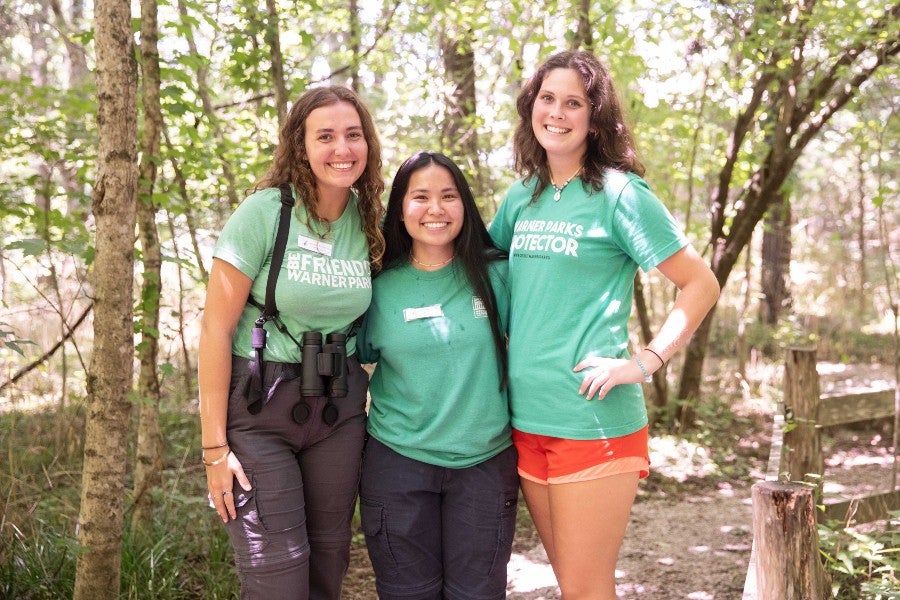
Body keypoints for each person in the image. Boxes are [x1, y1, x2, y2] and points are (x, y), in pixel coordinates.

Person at [489, 50, 721, 599]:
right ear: (531, 108)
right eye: (548, 99)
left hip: (592, 421)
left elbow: (701, 283)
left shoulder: (620, 195)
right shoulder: (522, 196)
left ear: (594, 118)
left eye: (574, 102)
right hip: (527, 419)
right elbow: (484, 275)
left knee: (587, 590)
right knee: (573, 585)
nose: (558, 112)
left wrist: (646, 361)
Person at [197, 85, 385, 600]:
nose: (341, 149)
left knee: (328, 563)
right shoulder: (265, 213)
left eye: (353, 135)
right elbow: (215, 329)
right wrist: (215, 450)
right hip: (260, 408)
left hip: (338, 409)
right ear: (299, 147)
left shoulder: (369, 218)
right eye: (325, 136)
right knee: (274, 573)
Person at [355, 151, 518, 600]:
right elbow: (353, 355)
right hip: (398, 464)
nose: (435, 209)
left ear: (464, 205)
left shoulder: (498, 274)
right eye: (420, 196)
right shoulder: (375, 285)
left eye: (448, 196)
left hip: (483, 465)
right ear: (400, 208)